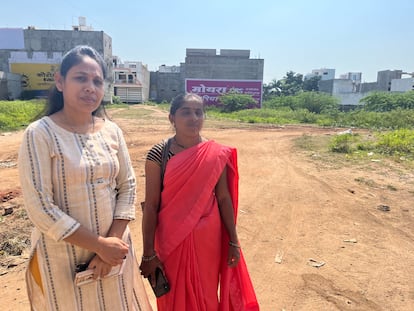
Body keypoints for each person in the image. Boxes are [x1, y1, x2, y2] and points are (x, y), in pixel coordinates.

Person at [18, 45, 152, 311]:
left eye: (97, 81)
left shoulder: (112, 132)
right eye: (81, 78)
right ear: (60, 82)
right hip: (62, 256)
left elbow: (128, 186)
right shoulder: (40, 134)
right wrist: (99, 246)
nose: (90, 87)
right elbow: (40, 208)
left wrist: (111, 246)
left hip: (114, 255)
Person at [140, 93, 259, 310]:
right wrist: (148, 252)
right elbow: (151, 205)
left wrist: (233, 241)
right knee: (173, 294)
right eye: (186, 112)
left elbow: (223, 198)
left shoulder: (214, 154)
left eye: (198, 112)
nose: (193, 117)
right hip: (171, 238)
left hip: (208, 239)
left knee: (206, 292)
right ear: (171, 118)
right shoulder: (159, 153)